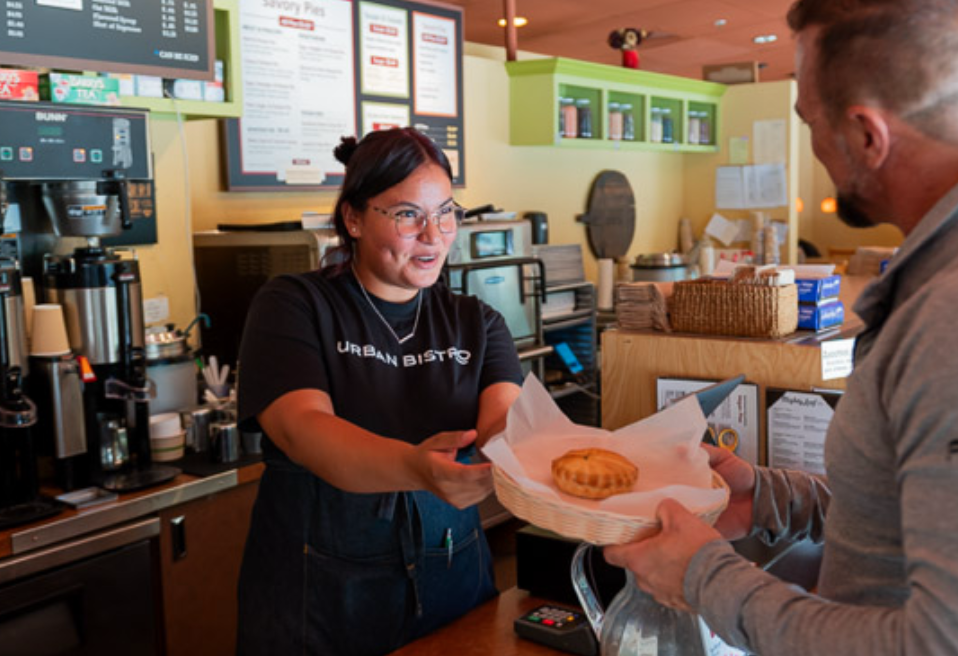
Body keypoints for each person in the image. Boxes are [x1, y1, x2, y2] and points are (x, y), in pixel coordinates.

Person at [605, 1, 958, 654]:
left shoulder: (946, 318)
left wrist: (703, 576)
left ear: (867, 135)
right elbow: (908, 512)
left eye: (810, 121)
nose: (814, 147)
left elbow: (933, 640)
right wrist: (771, 497)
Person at [235, 127, 523, 655]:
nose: (434, 235)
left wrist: (530, 454)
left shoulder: (477, 323)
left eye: (446, 213)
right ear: (354, 219)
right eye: (408, 215)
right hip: (320, 597)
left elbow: (505, 418)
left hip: (452, 580)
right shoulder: (295, 305)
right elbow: (302, 429)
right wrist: (415, 468)